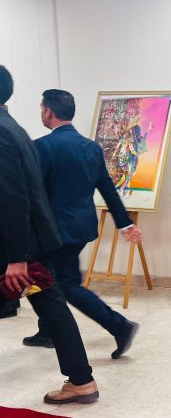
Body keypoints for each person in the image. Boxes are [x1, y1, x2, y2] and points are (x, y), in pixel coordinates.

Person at [0, 65, 99, 404]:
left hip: (17, 251)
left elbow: (13, 197)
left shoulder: (2, 132)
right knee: (52, 305)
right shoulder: (13, 128)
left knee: (52, 306)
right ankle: (82, 380)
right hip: (29, 245)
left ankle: (82, 380)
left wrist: (17, 259)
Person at [23, 89, 142, 361]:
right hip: (81, 228)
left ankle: (120, 326)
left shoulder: (43, 147)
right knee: (45, 277)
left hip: (55, 232)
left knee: (66, 285)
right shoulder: (91, 147)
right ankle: (48, 331)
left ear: (48, 112)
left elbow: (33, 193)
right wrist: (125, 224)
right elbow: (108, 188)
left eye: (41, 109)